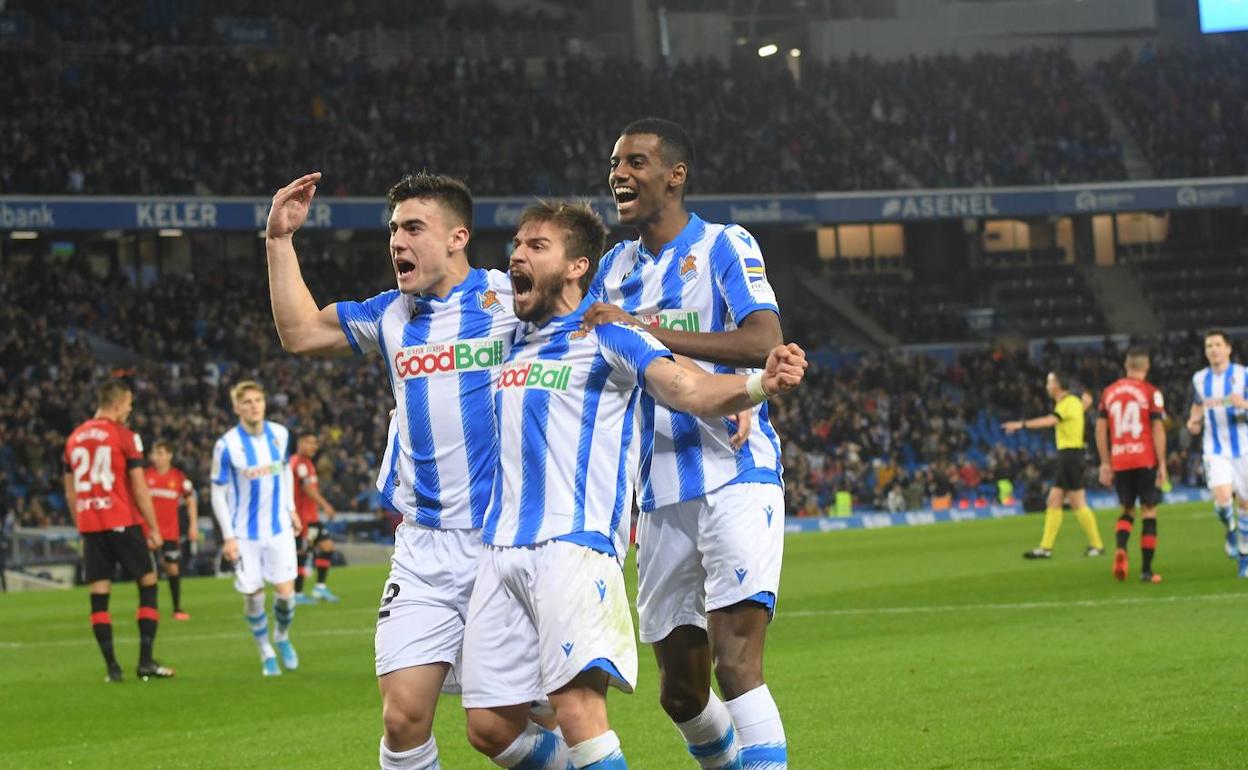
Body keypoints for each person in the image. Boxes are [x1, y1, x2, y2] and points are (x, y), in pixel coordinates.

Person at [461, 200, 807, 770]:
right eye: (516, 246)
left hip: (585, 538)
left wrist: (747, 390)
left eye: (536, 246)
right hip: (526, 541)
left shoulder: (611, 331)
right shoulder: (520, 324)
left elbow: (680, 381)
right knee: (493, 726)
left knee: (725, 667)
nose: (518, 255)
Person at [266, 171, 546, 770]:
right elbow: (299, 331)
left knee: (500, 728)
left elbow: (604, 328)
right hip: (422, 548)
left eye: (413, 227)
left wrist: (731, 390)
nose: (397, 241)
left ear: (457, 237)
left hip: (505, 544)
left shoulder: (511, 300)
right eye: (393, 229)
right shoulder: (390, 315)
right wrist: (280, 241)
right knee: (401, 719)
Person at [582, 118, 790, 770]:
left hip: (734, 470)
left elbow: (763, 338)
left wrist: (645, 330)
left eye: (635, 161)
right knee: (679, 692)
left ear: (675, 175)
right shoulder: (611, 268)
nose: (619, 173)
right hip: (659, 489)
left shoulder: (725, 244)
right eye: (614, 162)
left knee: (735, 661)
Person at [63, 379, 174, 682]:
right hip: (121, 520)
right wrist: (152, 527)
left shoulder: (73, 438)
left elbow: (70, 491)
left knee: (99, 595)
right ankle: (146, 662)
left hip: (90, 524)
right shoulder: (124, 436)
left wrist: (81, 523)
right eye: (128, 404)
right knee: (148, 584)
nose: (130, 409)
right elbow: (138, 486)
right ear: (116, 404)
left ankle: (112, 668)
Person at [210, 380, 302, 677]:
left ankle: (282, 637)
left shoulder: (280, 434)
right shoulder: (226, 445)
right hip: (244, 534)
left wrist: (291, 508)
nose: (254, 406)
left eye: (258, 400)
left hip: (279, 529)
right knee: (253, 595)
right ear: (237, 407)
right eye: (247, 402)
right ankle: (265, 651)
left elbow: (285, 469)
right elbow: (217, 492)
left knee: (287, 594)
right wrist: (228, 536)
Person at [1003, 371, 1105, 559]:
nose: (1047, 386)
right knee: (1056, 500)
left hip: (1070, 456)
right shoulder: (1074, 403)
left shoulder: (1066, 404)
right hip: (1072, 455)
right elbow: (1088, 400)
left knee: (1076, 502)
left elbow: (1051, 420)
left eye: (1049, 382)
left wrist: (1021, 424)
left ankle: (1095, 545)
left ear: (1058, 385)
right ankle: (1047, 548)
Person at [1095, 349, 1167, 583]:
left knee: (1126, 510)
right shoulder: (1151, 392)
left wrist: (1105, 462)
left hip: (1120, 459)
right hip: (1144, 458)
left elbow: (1100, 429)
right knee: (1149, 511)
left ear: (1126, 365)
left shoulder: (1109, 392)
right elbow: (1157, 428)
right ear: (1146, 367)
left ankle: (1121, 548)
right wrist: (1162, 463)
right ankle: (1146, 571)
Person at [1185, 329, 1248, 576]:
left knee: (1245, 505)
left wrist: (1242, 405)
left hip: (1244, 449)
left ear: (1228, 348)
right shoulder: (1200, 379)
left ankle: (1244, 558)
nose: (1213, 349)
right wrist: (1193, 421)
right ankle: (1230, 531)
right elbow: (1198, 405)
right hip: (1215, 449)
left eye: (1217, 344)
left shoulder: (1244, 375)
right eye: (1209, 345)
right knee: (1223, 500)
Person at [144, 440, 199, 619]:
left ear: (169, 455)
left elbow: (191, 501)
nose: (156, 457)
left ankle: (177, 609)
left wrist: (193, 525)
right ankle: (149, 609)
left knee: (173, 569)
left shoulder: (178, 477)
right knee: (148, 573)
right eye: (154, 453)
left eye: (160, 453)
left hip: (169, 532)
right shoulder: (145, 476)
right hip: (149, 532)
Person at [290, 432, 338, 604]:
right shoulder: (298, 463)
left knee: (327, 547)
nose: (313, 446)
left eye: (315, 443)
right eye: (309, 442)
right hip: (303, 518)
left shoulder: (307, 462)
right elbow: (307, 488)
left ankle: (319, 588)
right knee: (302, 553)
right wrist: (325, 505)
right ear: (300, 443)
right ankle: (297, 593)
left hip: (311, 516)